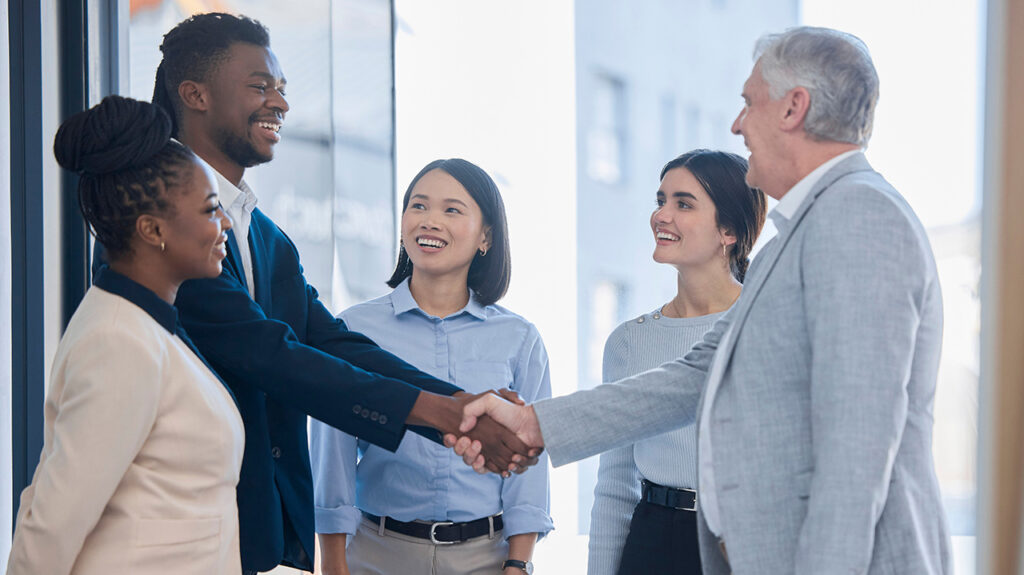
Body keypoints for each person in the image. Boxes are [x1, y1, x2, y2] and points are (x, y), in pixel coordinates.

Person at [454, 26, 953, 574]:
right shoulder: (799, 236)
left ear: (794, 108)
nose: (738, 124)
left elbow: (857, 448)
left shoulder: (858, 216)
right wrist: (533, 424)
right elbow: (694, 375)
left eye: (748, 103)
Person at [137, 13, 530, 574]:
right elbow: (267, 355)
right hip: (179, 531)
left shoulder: (264, 234)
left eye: (282, 88)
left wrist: (458, 407)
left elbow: (330, 342)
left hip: (248, 532)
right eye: (259, 86)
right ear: (194, 94)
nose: (280, 104)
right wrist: (448, 412)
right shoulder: (165, 221)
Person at [8, 95, 241, 574]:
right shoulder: (119, 341)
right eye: (210, 209)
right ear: (152, 228)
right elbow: (53, 523)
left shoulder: (147, 328)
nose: (226, 224)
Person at [311, 159, 553, 575]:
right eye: (418, 206)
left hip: (486, 558)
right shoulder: (353, 329)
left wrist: (518, 564)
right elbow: (331, 454)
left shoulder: (520, 338)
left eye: (452, 210)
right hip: (377, 553)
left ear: (486, 237)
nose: (430, 221)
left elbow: (527, 464)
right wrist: (334, 563)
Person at [588, 150, 765, 575]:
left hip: (743, 540)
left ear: (729, 231)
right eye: (660, 200)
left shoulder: (765, 327)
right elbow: (614, 484)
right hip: (653, 541)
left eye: (683, 204)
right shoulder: (630, 342)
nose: (661, 215)